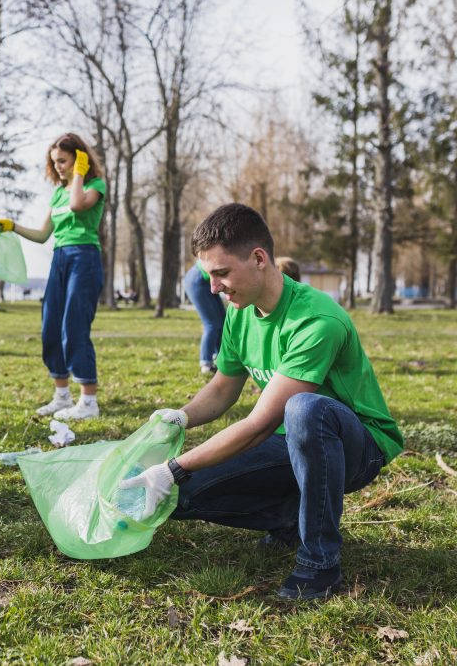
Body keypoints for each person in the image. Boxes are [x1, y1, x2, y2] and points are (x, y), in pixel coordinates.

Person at [120, 203, 402, 600]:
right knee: (178, 497)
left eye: (221, 273)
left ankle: (319, 564)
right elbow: (222, 388)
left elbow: (259, 425)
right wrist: (180, 417)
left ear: (258, 259)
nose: (214, 288)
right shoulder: (241, 311)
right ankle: (291, 518)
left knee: (306, 410)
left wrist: (173, 467)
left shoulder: (316, 321)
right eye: (209, 277)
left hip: (354, 447)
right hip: (291, 441)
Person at [0, 133, 106, 421]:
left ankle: (89, 402)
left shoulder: (94, 185)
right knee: (51, 326)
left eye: (64, 161)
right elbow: (43, 235)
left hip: (84, 257)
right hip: (60, 258)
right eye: (55, 163)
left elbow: (78, 204)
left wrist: (79, 173)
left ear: (79, 158)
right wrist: (12, 226)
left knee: (74, 326)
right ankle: (62, 396)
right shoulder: (57, 194)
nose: (59, 168)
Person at [183, 259, 226, 375]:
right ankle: (206, 363)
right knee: (212, 324)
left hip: (205, 281)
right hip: (197, 280)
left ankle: (220, 359)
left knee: (223, 321)